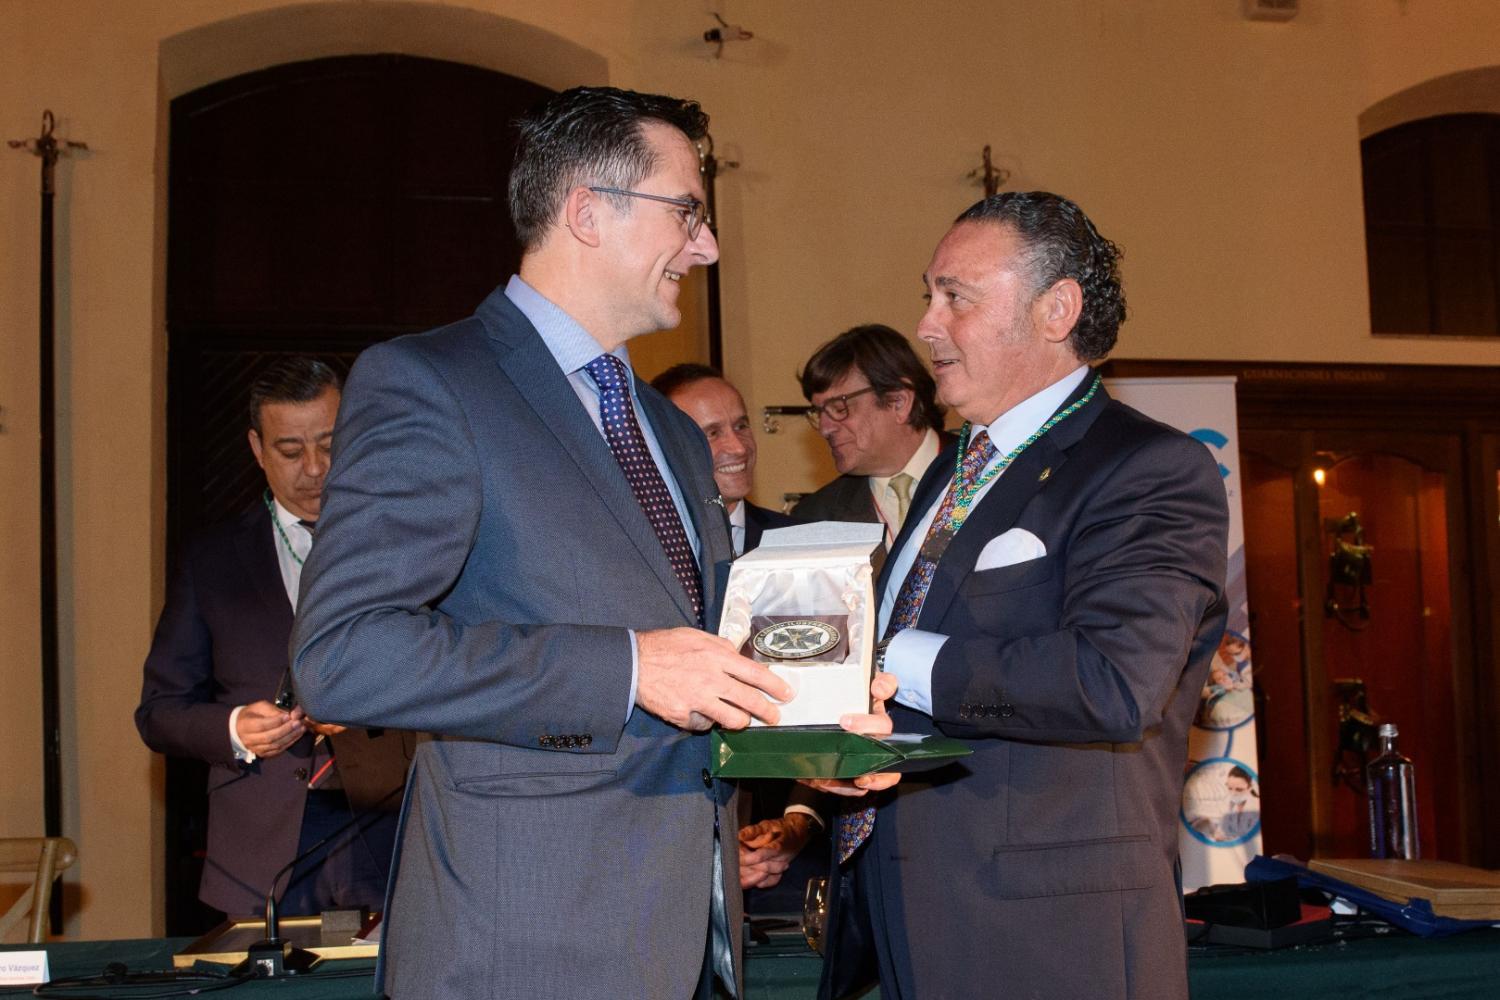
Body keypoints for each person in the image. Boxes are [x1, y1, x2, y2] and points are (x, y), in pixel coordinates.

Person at [289, 87, 895, 999]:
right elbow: (343, 657)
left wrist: (817, 730)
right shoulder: (432, 383)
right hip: (525, 940)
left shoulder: (670, 429)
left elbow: (714, 655)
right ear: (586, 212)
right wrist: (628, 667)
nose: (707, 246)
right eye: (687, 212)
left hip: (693, 938)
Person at [821, 191, 1228, 1000]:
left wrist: (891, 659)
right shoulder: (951, 470)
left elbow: (1114, 683)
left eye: (956, 297)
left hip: (1051, 937)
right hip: (908, 913)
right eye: (927, 296)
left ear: (1056, 310)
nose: (927, 326)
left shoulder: (1147, 468)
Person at [135, 357, 410, 919]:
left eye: (330, 444)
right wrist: (235, 728)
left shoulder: (408, 540)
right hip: (261, 848)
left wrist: (373, 700)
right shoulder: (212, 560)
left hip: (390, 826)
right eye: (290, 450)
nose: (314, 468)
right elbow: (159, 713)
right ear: (257, 449)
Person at [794, 324, 948, 551]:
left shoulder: (986, 468)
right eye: (818, 413)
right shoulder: (815, 519)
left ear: (898, 403)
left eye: (839, 408)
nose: (825, 429)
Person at [652, 363, 797, 555]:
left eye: (741, 426)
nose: (739, 448)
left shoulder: (798, 542)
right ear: (664, 447)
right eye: (712, 433)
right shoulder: (637, 550)